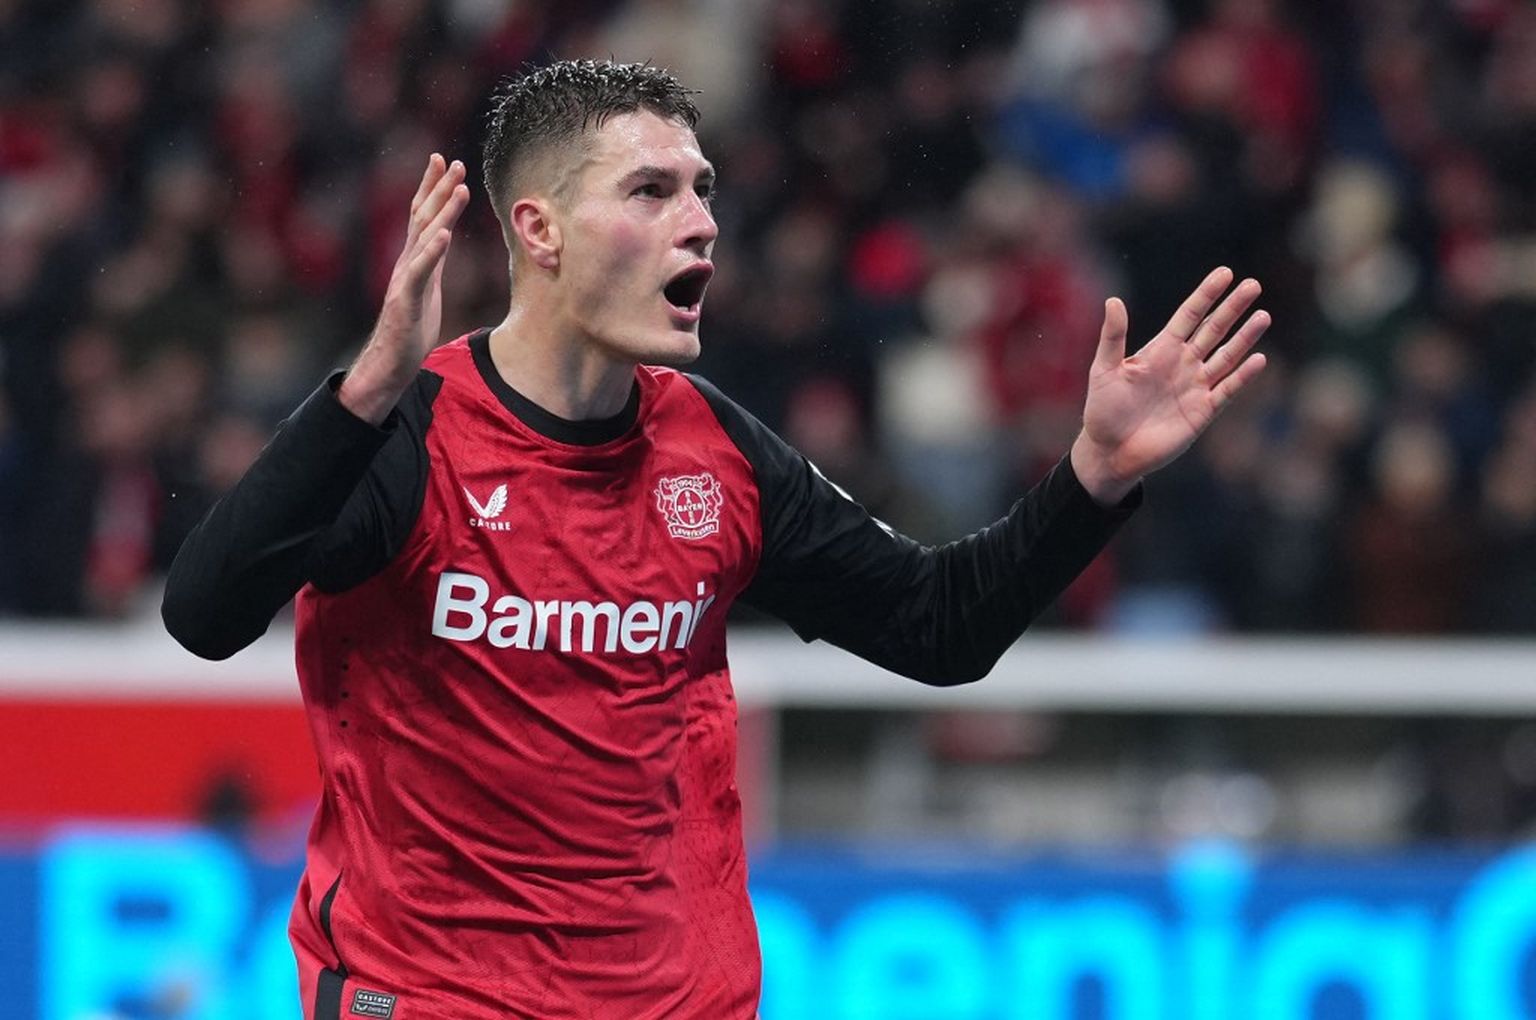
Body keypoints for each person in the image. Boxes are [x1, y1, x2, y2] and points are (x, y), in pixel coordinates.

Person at [162, 59, 1268, 1020]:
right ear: (539, 231)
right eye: (651, 191)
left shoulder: (716, 450)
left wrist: (1093, 477)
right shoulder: (404, 435)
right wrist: (363, 391)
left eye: (703, 191)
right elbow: (204, 616)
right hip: (430, 995)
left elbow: (940, 628)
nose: (700, 222)